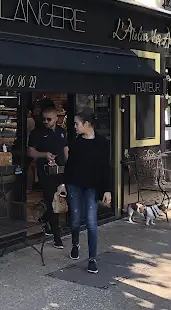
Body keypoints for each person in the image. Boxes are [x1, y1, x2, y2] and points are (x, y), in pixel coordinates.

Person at [63, 110, 112, 274]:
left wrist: (107, 190)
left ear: (86, 124)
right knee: (75, 220)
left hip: (92, 187)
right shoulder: (76, 142)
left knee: (91, 222)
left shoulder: (102, 143)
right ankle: (75, 243)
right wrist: (63, 184)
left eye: (77, 124)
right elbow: (69, 165)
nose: (75, 127)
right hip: (74, 185)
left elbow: (106, 167)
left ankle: (92, 259)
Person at [27, 106, 68, 249]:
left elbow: (66, 150)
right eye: (43, 119)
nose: (46, 121)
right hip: (46, 172)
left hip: (62, 171)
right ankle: (57, 236)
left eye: (49, 119)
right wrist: (44, 155)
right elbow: (31, 152)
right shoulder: (36, 133)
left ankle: (44, 219)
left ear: (56, 119)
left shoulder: (62, 132)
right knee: (52, 201)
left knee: (62, 199)